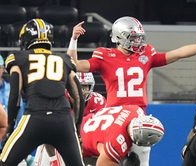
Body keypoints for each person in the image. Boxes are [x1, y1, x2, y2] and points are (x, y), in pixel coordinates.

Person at [66, 16, 196, 166]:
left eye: (139, 37)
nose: (138, 41)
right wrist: (73, 40)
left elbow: (177, 54)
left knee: (141, 157)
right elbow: (74, 65)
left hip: (138, 116)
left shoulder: (146, 54)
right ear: (120, 37)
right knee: (112, 157)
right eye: (133, 37)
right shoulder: (105, 56)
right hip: (116, 116)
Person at [0, 18, 85, 166]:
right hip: (63, 121)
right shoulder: (64, 59)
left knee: (5, 162)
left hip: (35, 117)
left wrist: (10, 127)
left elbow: (15, 95)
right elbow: (78, 96)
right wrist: (77, 129)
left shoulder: (18, 58)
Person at [34, 72, 107, 166]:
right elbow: (47, 131)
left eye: (85, 87)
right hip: (59, 141)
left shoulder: (98, 102)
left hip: (87, 142)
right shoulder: (59, 99)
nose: (82, 91)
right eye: (78, 87)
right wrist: (54, 160)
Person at [81, 105, 164, 166]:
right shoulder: (117, 142)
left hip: (82, 122)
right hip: (78, 142)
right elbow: (102, 163)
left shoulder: (136, 110)